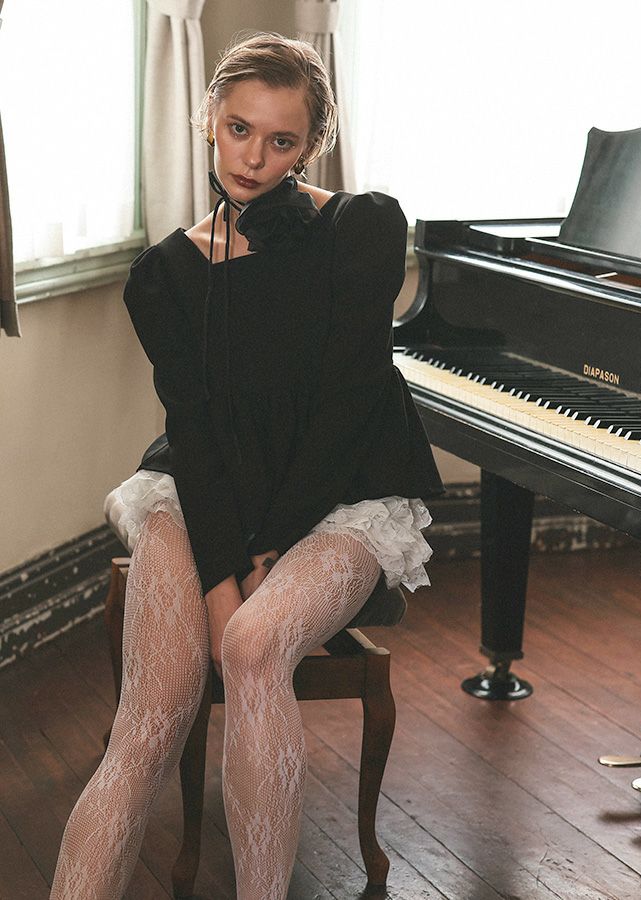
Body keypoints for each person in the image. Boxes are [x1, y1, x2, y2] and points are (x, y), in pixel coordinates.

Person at [50, 31, 444, 900]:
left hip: (342, 493)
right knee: (148, 723)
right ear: (209, 119)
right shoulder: (163, 275)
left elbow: (347, 404)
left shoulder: (363, 226)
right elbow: (194, 433)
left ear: (313, 145)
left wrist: (266, 551)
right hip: (202, 489)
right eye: (238, 130)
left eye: (281, 140)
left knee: (255, 646)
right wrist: (224, 571)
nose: (253, 160)